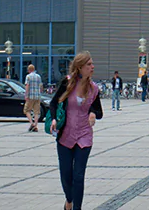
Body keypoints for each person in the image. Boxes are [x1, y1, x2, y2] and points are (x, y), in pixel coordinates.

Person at [49, 52, 103, 210]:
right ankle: (69, 201)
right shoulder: (67, 83)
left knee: (78, 176)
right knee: (66, 176)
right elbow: (53, 104)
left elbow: (99, 112)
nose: (92, 67)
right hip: (65, 136)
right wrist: (53, 119)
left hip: (84, 136)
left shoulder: (94, 89)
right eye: (89, 65)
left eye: (92, 64)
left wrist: (93, 113)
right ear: (80, 67)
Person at [24, 63, 44, 132]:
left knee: (27, 110)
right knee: (36, 112)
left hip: (30, 96)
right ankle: (35, 125)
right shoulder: (38, 76)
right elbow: (41, 86)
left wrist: (26, 95)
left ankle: (32, 124)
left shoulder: (28, 76)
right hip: (37, 96)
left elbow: (27, 86)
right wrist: (40, 92)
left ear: (29, 70)